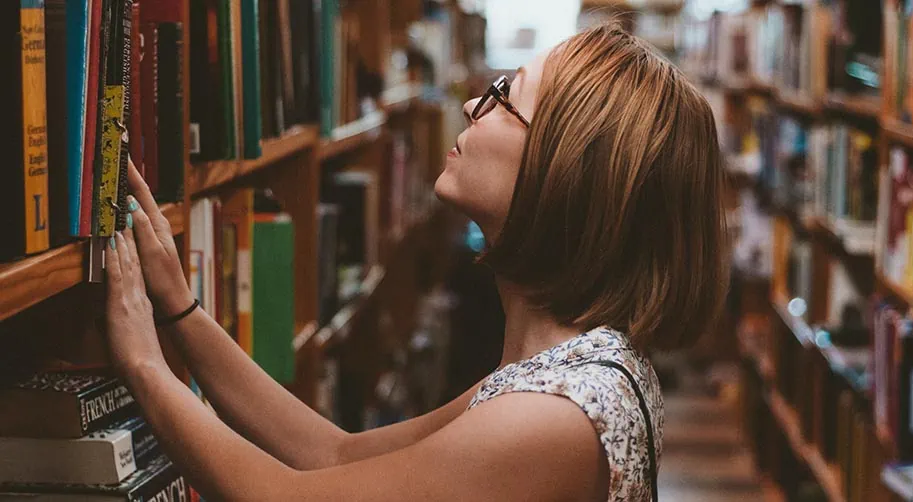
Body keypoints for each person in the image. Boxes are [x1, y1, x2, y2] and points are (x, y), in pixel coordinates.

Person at [104, 23, 728, 501]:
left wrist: (142, 363)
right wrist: (181, 312)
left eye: (503, 96)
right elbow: (334, 456)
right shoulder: (565, 368)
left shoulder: (555, 414)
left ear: (564, 173)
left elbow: (280, 496)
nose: (471, 107)